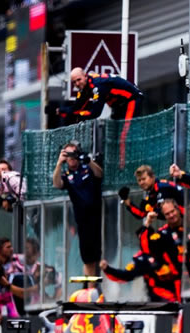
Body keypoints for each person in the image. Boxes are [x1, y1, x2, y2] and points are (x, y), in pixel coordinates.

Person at [52, 141, 103, 278]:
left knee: (100, 255)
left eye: (73, 153)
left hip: (98, 216)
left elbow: (99, 174)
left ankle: (97, 286)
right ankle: (90, 289)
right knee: (88, 257)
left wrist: (88, 160)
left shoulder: (86, 167)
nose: (71, 157)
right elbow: (57, 184)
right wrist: (59, 163)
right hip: (82, 220)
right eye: (68, 155)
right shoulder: (67, 174)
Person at [63, 67, 144, 125]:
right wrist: (60, 111)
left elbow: (95, 112)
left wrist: (79, 115)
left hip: (132, 98)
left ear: (85, 76)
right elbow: (77, 107)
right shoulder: (85, 88)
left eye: (78, 80)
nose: (77, 84)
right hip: (118, 105)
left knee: (126, 131)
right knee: (114, 133)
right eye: (74, 82)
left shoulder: (97, 85)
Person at [0, 237, 30, 323]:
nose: (12, 249)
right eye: (8, 247)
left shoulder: (20, 260)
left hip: (23, 305)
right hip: (6, 308)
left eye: (11, 246)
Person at [118, 165, 184, 220]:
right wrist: (126, 200)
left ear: (152, 177)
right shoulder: (151, 194)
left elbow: (166, 212)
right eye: (139, 180)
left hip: (188, 221)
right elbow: (141, 214)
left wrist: (153, 211)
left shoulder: (163, 188)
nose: (141, 182)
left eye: (144, 179)